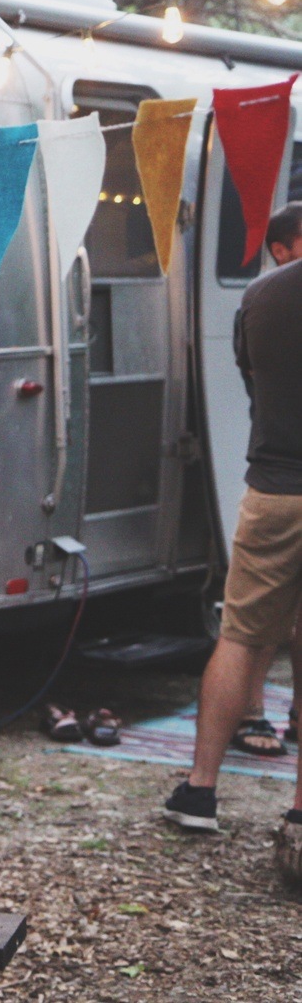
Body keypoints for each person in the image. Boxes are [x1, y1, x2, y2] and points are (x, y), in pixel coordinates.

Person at [163, 219, 302, 856]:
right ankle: (299, 809)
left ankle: (199, 789)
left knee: (240, 635)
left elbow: (250, 378)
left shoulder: (261, 297)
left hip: (273, 488)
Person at [230, 203, 302, 757]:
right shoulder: (267, 296)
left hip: (271, 474)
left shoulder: (257, 300)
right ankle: (252, 711)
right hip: (278, 471)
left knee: (263, 618)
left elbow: (250, 378)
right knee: (254, 621)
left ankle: (290, 714)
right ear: (280, 249)